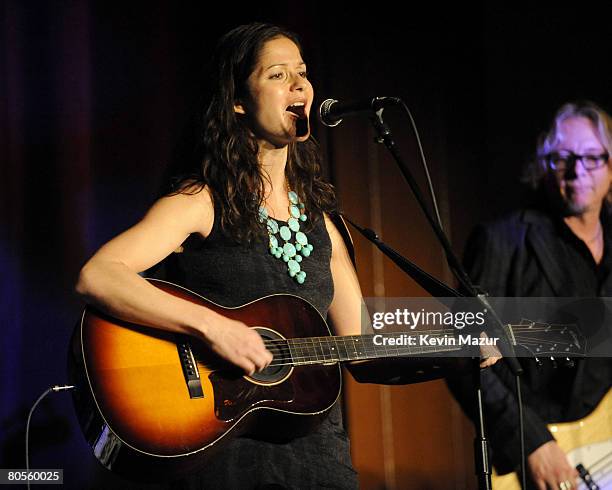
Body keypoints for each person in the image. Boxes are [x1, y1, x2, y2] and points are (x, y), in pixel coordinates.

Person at [447, 101, 612, 489]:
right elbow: (459, 350)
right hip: (535, 462)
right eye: (563, 158)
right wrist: (531, 443)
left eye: (592, 158)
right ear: (544, 163)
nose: (577, 171)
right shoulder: (502, 240)